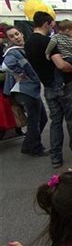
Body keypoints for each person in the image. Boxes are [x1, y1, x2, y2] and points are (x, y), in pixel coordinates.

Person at [24, 11, 72, 168]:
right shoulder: (47, 41)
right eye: (51, 23)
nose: (53, 26)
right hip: (64, 86)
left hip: (48, 87)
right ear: (46, 24)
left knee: (56, 123)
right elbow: (61, 65)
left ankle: (56, 158)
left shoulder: (28, 42)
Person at [2, 26, 48, 156]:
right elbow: (5, 66)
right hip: (24, 90)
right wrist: (18, 73)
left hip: (31, 89)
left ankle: (29, 145)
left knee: (41, 119)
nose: (16, 37)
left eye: (17, 34)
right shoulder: (13, 51)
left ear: (21, 33)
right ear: (9, 39)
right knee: (35, 120)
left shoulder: (24, 49)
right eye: (11, 36)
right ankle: (35, 148)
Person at [45, 19, 72, 88]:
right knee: (69, 70)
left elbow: (51, 45)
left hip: (64, 58)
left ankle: (60, 84)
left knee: (58, 71)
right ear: (67, 30)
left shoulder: (56, 37)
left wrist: (47, 53)